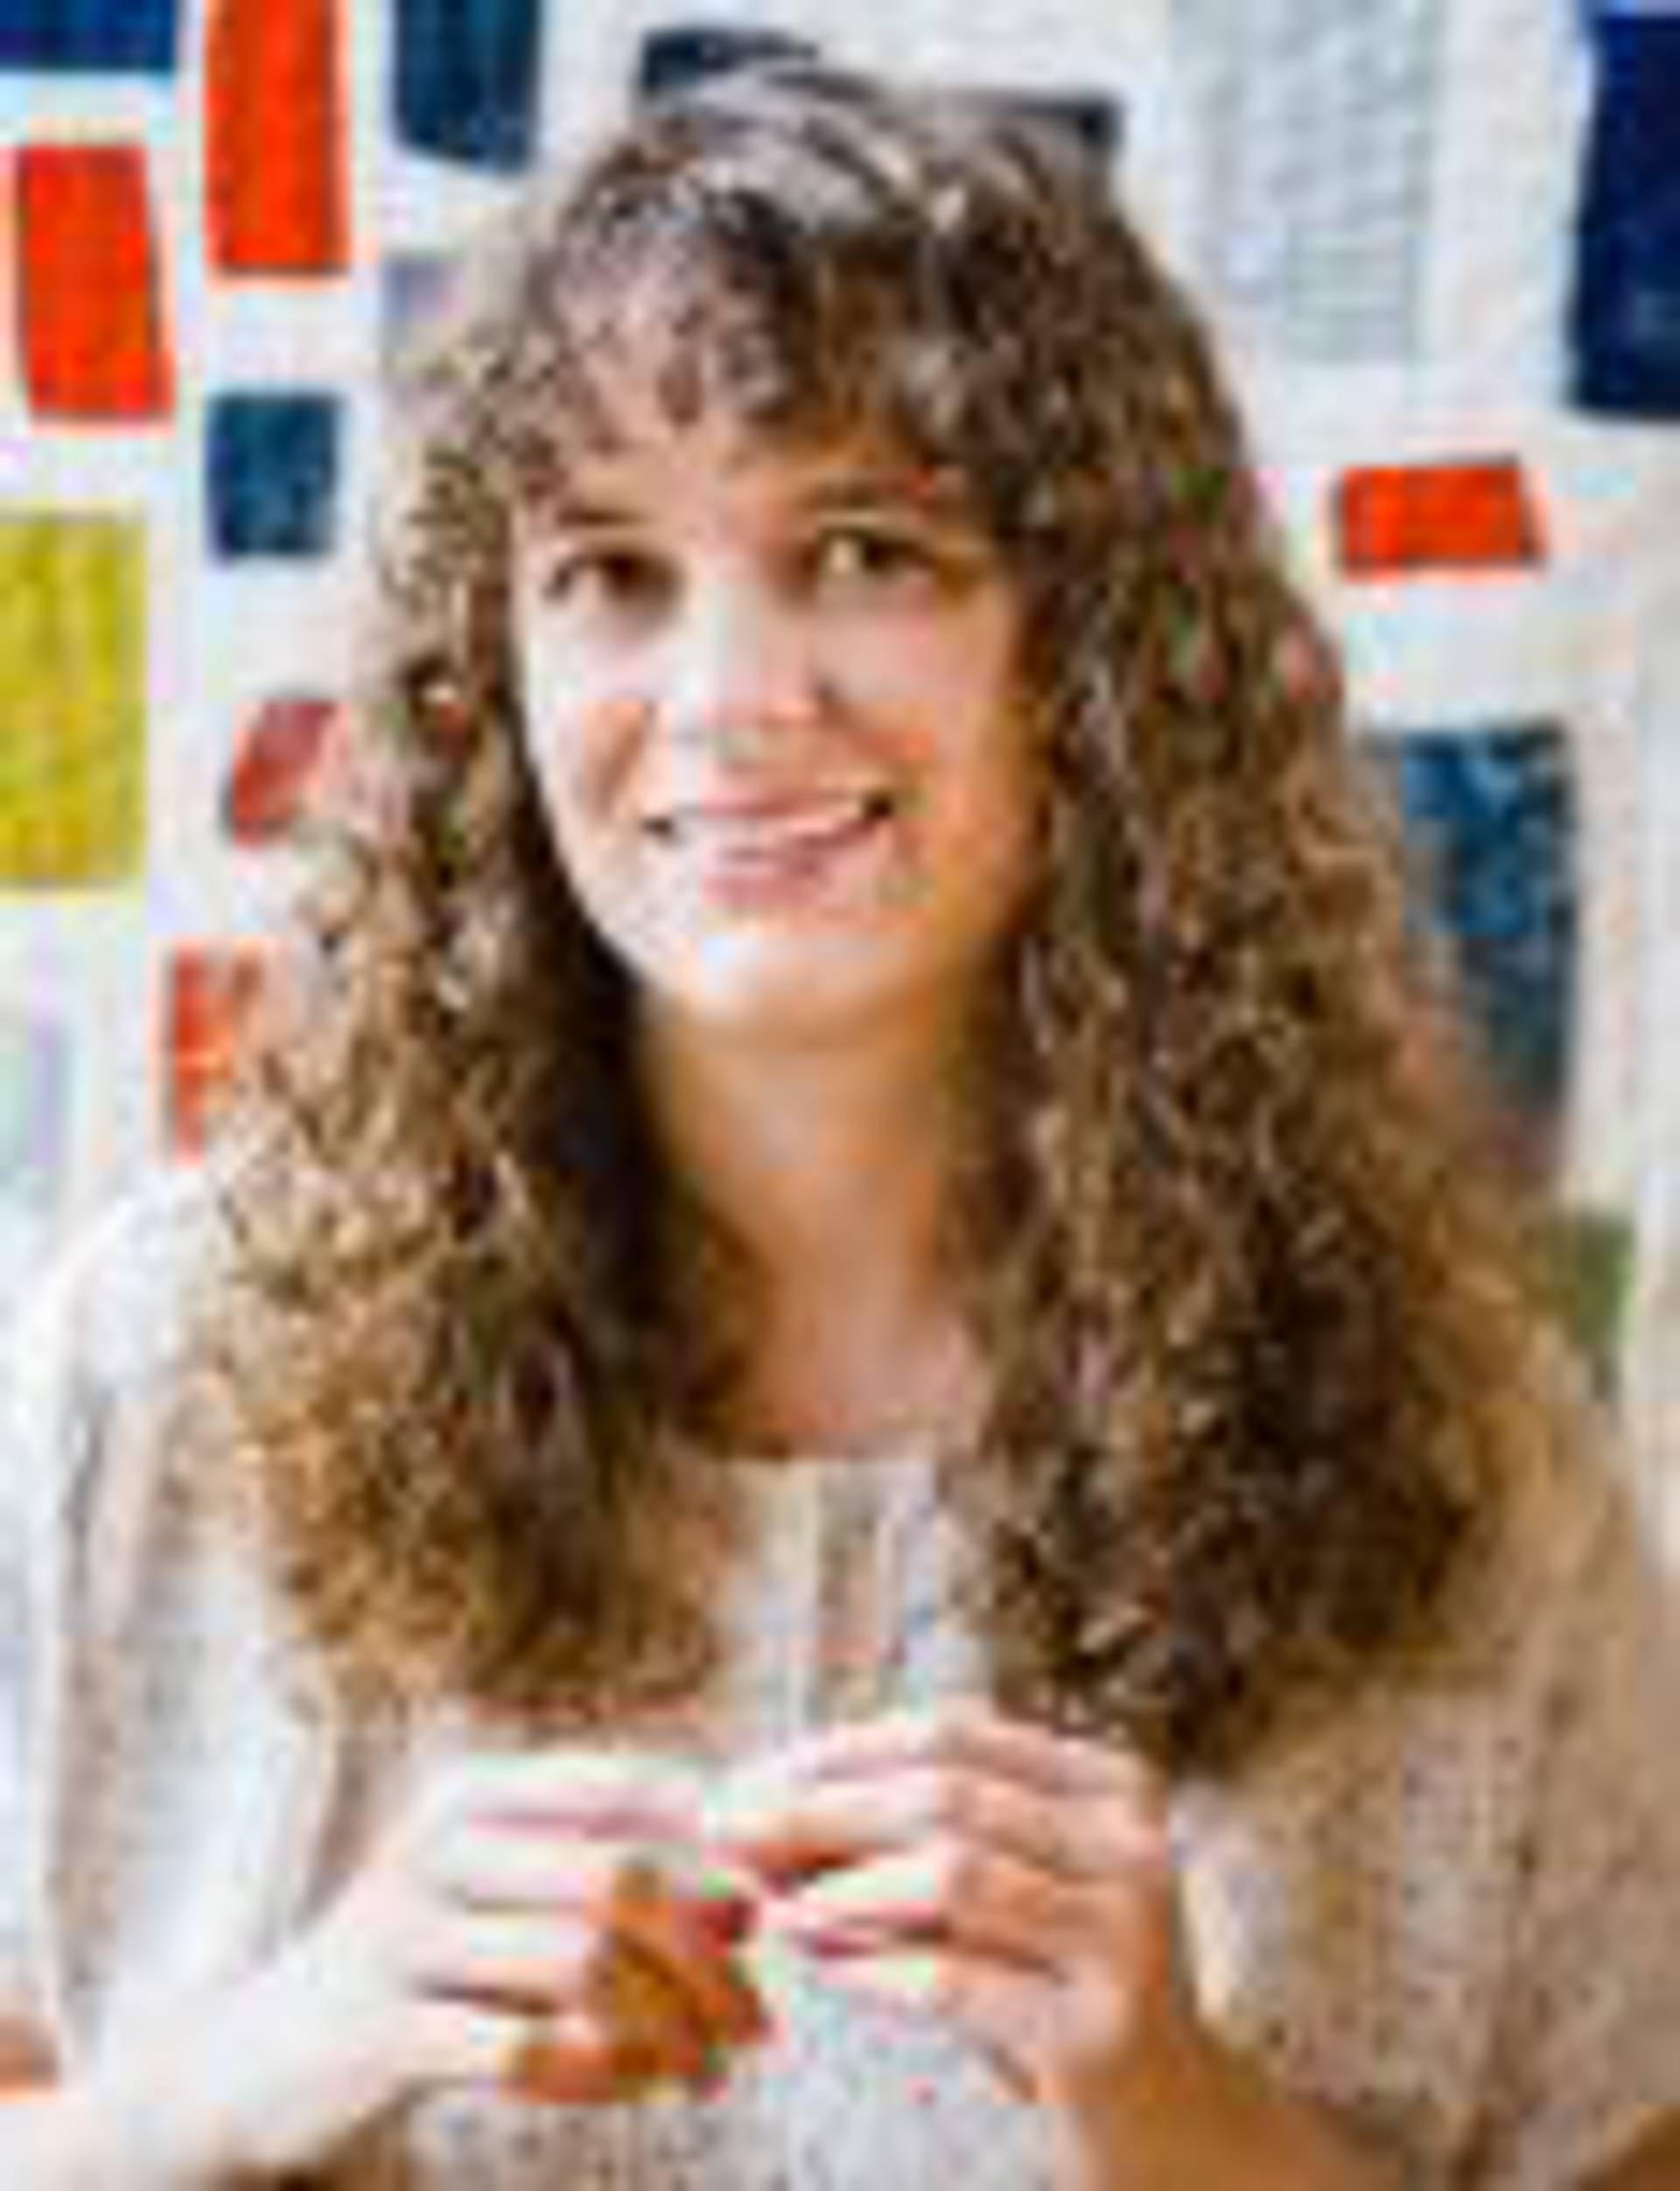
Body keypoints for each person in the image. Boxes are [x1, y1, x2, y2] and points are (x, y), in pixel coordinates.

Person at [2, 61, 1678, 2190]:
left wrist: (1181, 2114)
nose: (726, 700)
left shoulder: (1467, 1465)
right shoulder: (147, 1384)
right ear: (484, 676)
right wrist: (242, 2076)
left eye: (866, 550)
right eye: (610, 570)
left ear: (1095, 649)